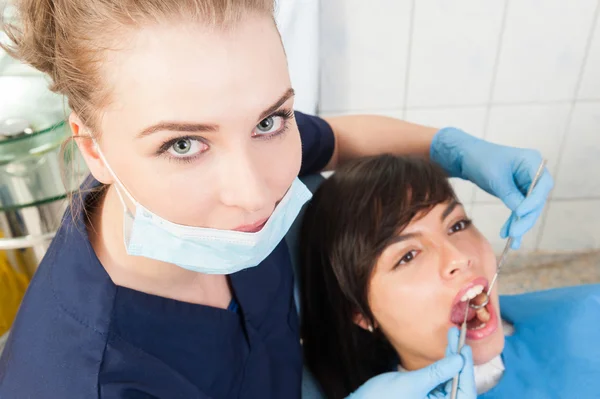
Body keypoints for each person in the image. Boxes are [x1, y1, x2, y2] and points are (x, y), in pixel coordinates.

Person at [0, 1, 553, 398]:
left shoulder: (248, 155)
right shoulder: (79, 377)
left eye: (269, 119)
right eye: (184, 144)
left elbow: (332, 139)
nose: (255, 194)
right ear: (93, 147)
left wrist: (448, 149)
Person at [299, 154, 600, 399]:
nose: (459, 257)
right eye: (407, 255)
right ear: (360, 313)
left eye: (457, 225)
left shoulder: (589, 312)